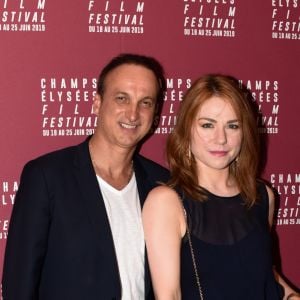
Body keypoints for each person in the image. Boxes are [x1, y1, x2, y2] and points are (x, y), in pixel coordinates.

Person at [2, 53, 170, 300]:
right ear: (97, 103)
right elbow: (19, 287)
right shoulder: (47, 177)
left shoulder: (161, 183)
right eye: (122, 98)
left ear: (155, 113)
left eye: (145, 102)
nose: (133, 114)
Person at [142, 74, 300, 299]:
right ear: (186, 131)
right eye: (208, 125)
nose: (221, 139)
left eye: (232, 126)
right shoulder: (166, 202)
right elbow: (169, 295)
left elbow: (263, 275)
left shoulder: (262, 196)